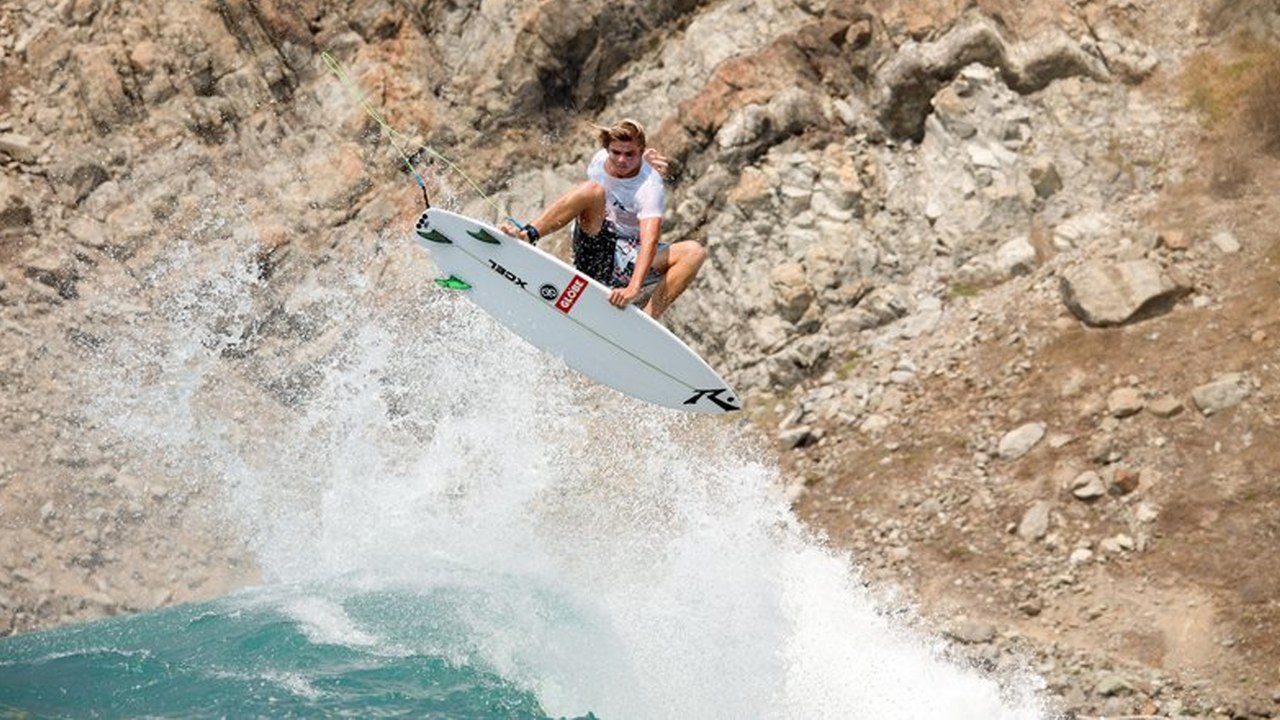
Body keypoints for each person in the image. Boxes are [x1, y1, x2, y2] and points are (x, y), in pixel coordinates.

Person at [499, 119, 706, 320]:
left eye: (630, 154)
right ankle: (527, 235)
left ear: (641, 151)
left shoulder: (650, 187)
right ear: (607, 149)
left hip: (629, 260)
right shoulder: (599, 161)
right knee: (592, 189)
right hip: (594, 249)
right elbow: (579, 203)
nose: (622, 161)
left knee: (694, 252)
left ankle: (647, 320)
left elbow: (650, 239)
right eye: (616, 152)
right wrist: (638, 161)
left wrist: (633, 287)